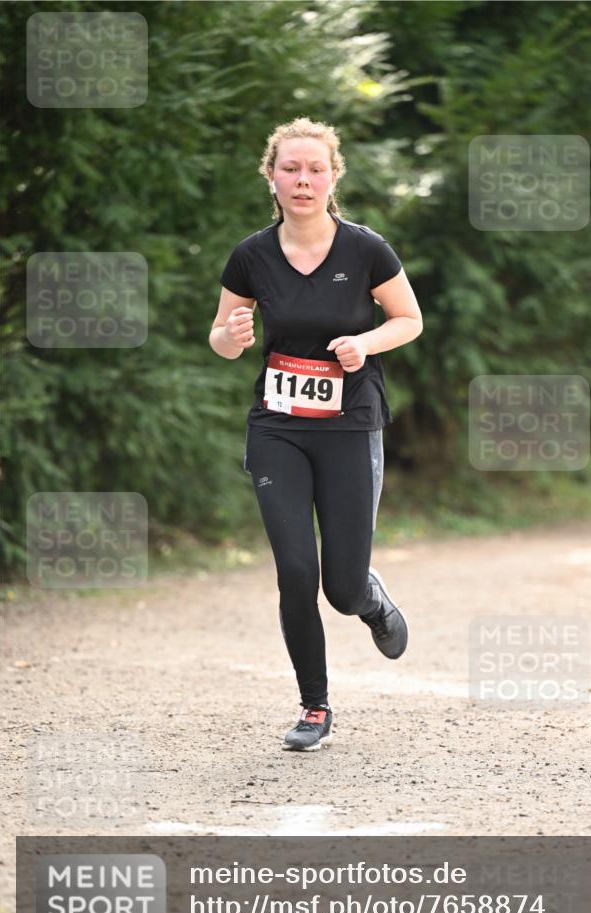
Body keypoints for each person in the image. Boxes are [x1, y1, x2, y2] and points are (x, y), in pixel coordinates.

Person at [209, 117, 423, 752]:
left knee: (341, 585)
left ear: (333, 177)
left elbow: (408, 319)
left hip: (351, 424)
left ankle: (370, 599)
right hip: (278, 427)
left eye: (315, 169)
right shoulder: (251, 255)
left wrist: (365, 341)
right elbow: (222, 336)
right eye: (290, 168)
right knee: (297, 570)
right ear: (271, 177)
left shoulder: (365, 250)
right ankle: (314, 705)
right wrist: (231, 338)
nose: (303, 180)